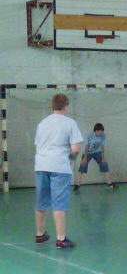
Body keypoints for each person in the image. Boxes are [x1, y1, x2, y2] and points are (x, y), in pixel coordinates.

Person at [34, 93, 83, 249]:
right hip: (59, 167)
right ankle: (61, 239)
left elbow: (38, 145)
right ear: (66, 106)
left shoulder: (42, 123)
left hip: (41, 165)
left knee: (41, 201)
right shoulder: (70, 123)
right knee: (59, 203)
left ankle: (40, 234)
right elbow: (76, 148)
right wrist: (71, 158)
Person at [74, 123, 117, 190]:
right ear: (96, 130)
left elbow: (102, 146)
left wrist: (103, 157)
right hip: (87, 153)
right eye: (100, 131)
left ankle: (109, 184)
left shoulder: (103, 135)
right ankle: (77, 185)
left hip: (97, 152)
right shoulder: (90, 135)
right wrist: (85, 158)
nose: (101, 133)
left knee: (104, 164)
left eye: (102, 131)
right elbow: (87, 146)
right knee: (82, 166)